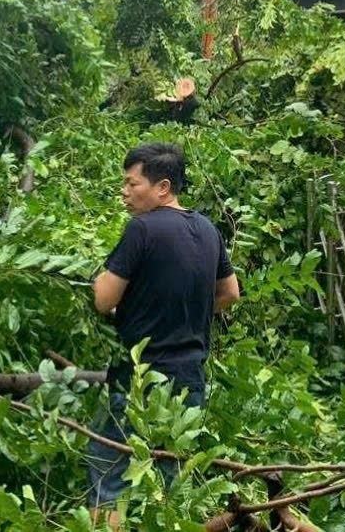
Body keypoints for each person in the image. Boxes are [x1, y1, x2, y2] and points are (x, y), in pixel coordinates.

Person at [86, 143, 241, 528]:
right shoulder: (207, 229)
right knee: (171, 482)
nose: (124, 191)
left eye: (131, 182)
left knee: (109, 469)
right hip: (190, 377)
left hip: (138, 377)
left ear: (162, 187)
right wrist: (183, 311)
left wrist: (99, 281)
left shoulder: (141, 229)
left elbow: (104, 300)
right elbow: (230, 294)